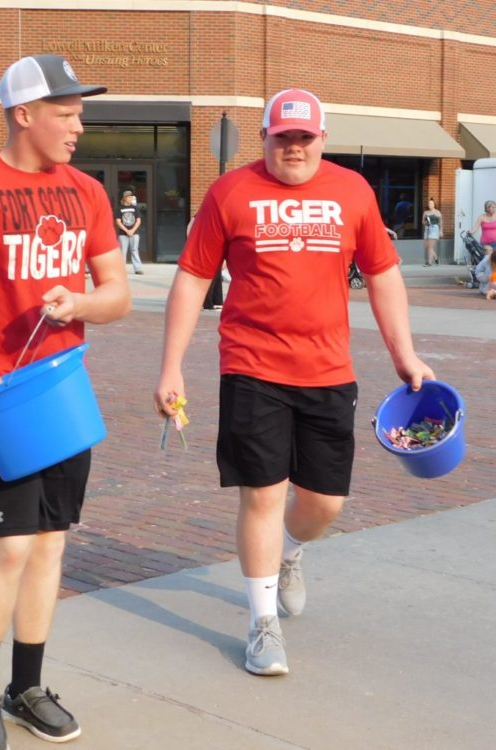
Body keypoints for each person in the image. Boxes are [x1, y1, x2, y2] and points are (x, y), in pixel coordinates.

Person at [154, 88, 435, 678]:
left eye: (305, 137)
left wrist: (405, 355)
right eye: (283, 137)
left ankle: (289, 552)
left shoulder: (353, 192)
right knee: (261, 494)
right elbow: (192, 279)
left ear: (322, 139)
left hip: (329, 370)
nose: (295, 147)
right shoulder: (230, 192)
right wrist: (171, 365)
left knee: (325, 504)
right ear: (265, 138)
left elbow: (383, 275)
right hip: (252, 366)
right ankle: (263, 625)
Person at [0, 54, 130, 750]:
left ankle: (28, 687)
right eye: (66, 113)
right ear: (23, 115)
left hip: (64, 396)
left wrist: (80, 302)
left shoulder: (87, 192)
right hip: (1, 400)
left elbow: (117, 294)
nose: (79, 126)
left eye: (80, 113)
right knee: (9, 546)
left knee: (49, 543)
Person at [116, 189, 143, 274]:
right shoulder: (119, 208)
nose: (131, 198)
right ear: (125, 198)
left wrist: (132, 230)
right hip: (123, 234)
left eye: (132, 197)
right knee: (123, 251)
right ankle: (122, 269)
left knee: (134, 250)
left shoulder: (135, 208)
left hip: (134, 233)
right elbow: (118, 221)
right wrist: (127, 230)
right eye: (129, 197)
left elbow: (138, 220)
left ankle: (138, 268)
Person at [421, 198, 442, 266]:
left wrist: (441, 230)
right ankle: (435, 257)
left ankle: (429, 262)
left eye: (431, 203)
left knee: (430, 246)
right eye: (429, 203)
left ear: (434, 204)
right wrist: (426, 223)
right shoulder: (426, 212)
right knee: (427, 246)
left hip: (434, 228)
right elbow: (423, 221)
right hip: (427, 228)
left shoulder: (437, 212)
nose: (430, 205)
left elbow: (440, 222)